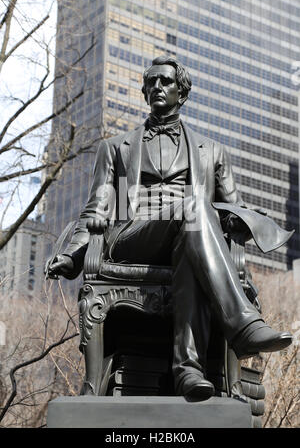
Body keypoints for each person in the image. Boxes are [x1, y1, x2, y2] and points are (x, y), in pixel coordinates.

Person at [48, 56, 293, 399]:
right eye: (151, 83)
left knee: (192, 231)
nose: (157, 88)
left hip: (190, 237)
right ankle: (243, 324)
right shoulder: (116, 148)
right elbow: (97, 208)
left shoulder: (213, 151)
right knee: (195, 205)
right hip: (133, 237)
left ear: (183, 92)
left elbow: (233, 207)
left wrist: (241, 220)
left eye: (165, 82)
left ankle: (188, 372)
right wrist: (72, 255)